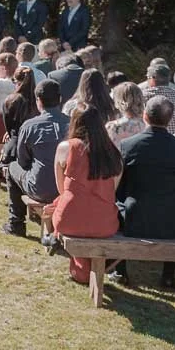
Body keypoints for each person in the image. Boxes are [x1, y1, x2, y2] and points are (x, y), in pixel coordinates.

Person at [112, 96, 175, 288]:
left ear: (145, 116)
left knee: (116, 207)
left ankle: (121, 271)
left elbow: (120, 186)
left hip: (135, 216)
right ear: (170, 119)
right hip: (173, 219)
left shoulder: (129, 145)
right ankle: (168, 275)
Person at [48, 102, 122, 283]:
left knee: (61, 202)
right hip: (105, 223)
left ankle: (57, 239)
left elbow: (61, 189)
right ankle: (85, 268)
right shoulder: (113, 152)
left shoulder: (66, 147)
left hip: (69, 219)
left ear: (74, 122)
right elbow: (114, 189)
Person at [4, 79, 68, 234]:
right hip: (67, 188)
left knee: (12, 167)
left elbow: (22, 160)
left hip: (40, 188)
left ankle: (16, 222)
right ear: (60, 99)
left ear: (38, 101)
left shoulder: (30, 126)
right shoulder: (72, 123)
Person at [140, 61, 175, 131]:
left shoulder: (141, 96)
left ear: (152, 78)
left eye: (148, 77)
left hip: (153, 139)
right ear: (169, 78)